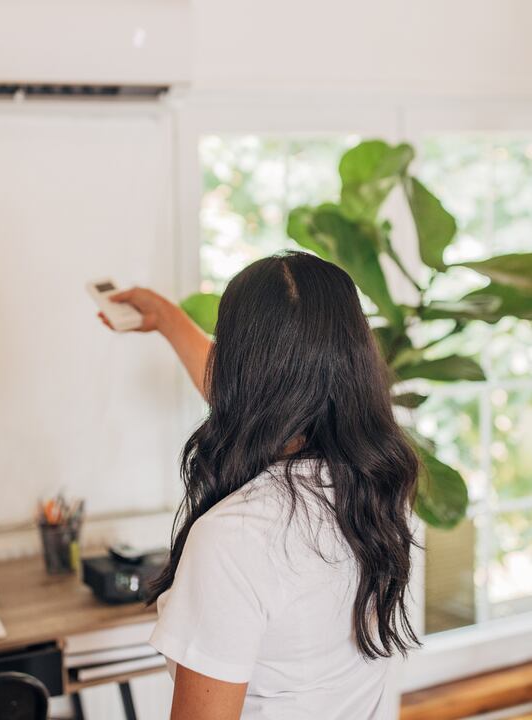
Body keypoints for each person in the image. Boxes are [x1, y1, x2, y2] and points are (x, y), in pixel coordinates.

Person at [98, 252, 419, 720]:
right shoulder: (376, 490)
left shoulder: (233, 538)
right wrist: (167, 319)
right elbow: (274, 392)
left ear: (236, 369)